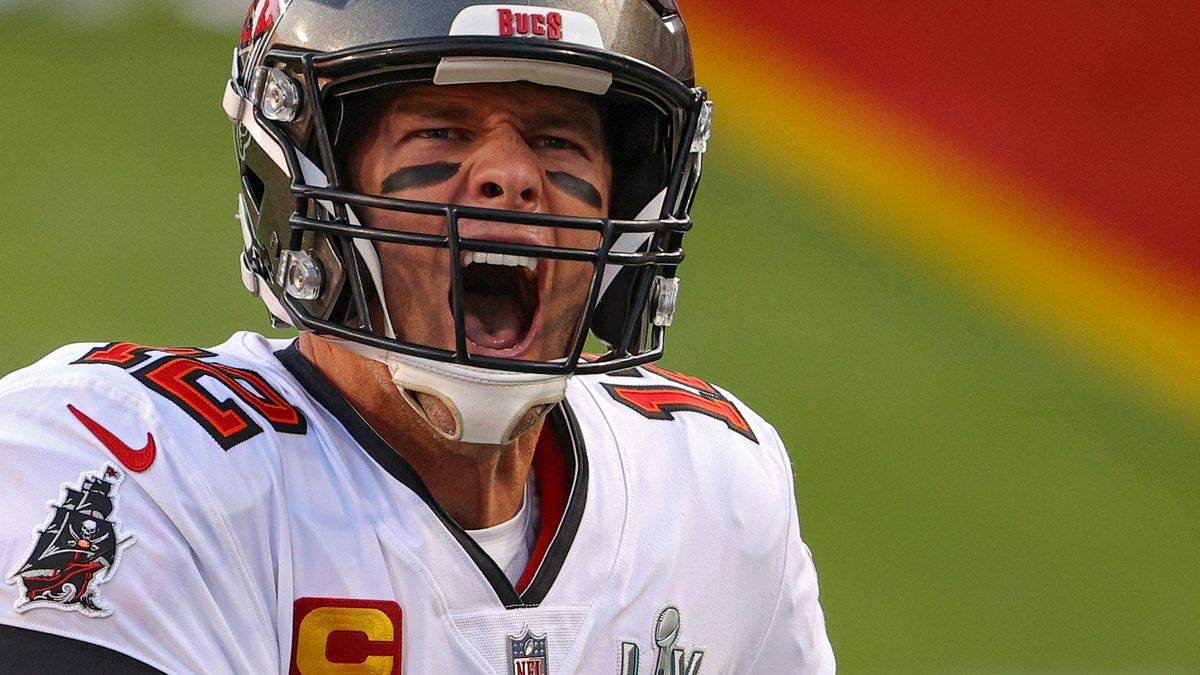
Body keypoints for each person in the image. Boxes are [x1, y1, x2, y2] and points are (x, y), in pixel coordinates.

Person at [0, 0, 835, 672]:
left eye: (557, 139)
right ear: (315, 184)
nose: (511, 175)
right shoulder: (131, 463)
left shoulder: (715, 488)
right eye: (441, 129)